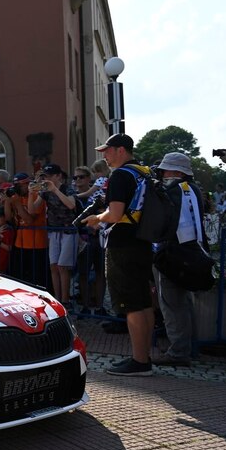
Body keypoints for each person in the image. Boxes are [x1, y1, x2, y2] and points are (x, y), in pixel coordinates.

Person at [83, 133, 155, 376]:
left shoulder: (121, 175)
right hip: (143, 241)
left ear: (121, 150)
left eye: (108, 150)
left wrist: (96, 218)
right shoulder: (144, 172)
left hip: (123, 243)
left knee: (131, 304)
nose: (104, 155)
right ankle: (145, 356)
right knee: (144, 301)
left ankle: (139, 361)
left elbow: (114, 214)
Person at [152, 153, 208, 367]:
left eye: (165, 170)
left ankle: (178, 352)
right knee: (185, 303)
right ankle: (190, 348)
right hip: (192, 252)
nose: (163, 174)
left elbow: (165, 223)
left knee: (172, 303)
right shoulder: (193, 190)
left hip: (174, 254)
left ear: (176, 172)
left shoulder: (174, 191)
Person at [30, 163, 78, 310]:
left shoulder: (66, 188)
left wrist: (55, 189)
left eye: (49, 176)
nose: (46, 179)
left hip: (68, 230)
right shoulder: (45, 191)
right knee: (53, 266)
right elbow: (32, 210)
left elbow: (71, 205)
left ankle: (66, 300)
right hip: (53, 230)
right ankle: (57, 298)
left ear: (58, 176)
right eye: (45, 176)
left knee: (63, 266)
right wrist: (31, 193)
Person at [6, 172, 50, 290]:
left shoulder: (36, 196)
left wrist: (18, 205)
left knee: (37, 280)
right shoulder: (17, 197)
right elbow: (8, 218)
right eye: (16, 185)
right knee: (20, 279)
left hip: (37, 244)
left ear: (27, 184)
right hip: (20, 243)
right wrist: (7, 201)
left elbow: (30, 220)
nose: (17, 188)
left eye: (20, 185)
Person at [74, 166, 107, 316]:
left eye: (81, 177)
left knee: (100, 273)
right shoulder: (73, 196)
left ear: (89, 178)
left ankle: (100, 307)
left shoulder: (100, 192)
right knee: (83, 274)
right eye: (75, 178)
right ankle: (85, 306)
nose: (78, 180)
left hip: (99, 237)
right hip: (83, 238)